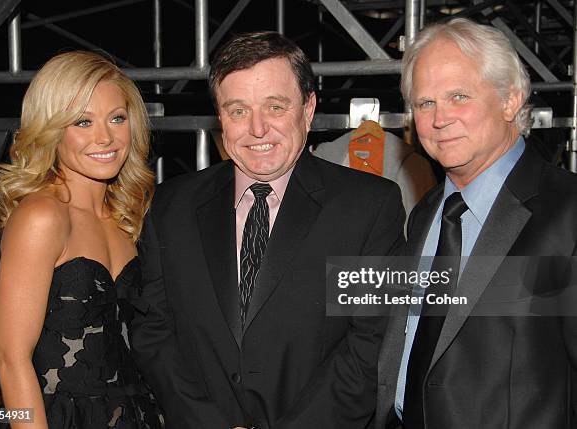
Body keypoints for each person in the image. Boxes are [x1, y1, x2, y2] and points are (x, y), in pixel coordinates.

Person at [131, 31, 405, 429]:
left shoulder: (368, 206)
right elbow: (153, 331)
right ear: (219, 117)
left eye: (275, 107)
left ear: (308, 109)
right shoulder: (171, 206)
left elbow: (372, 341)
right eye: (238, 110)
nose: (257, 129)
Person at [373, 18, 577, 429]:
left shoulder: (568, 212)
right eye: (425, 103)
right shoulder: (424, 212)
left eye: (458, 96)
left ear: (510, 99)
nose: (438, 119)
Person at [0, 51, 162, 429]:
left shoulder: (128, 217)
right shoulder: (42, 216)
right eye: (82, 121)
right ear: (52, 130)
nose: (105, 137)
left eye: (117, 118)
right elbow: (10, 357)